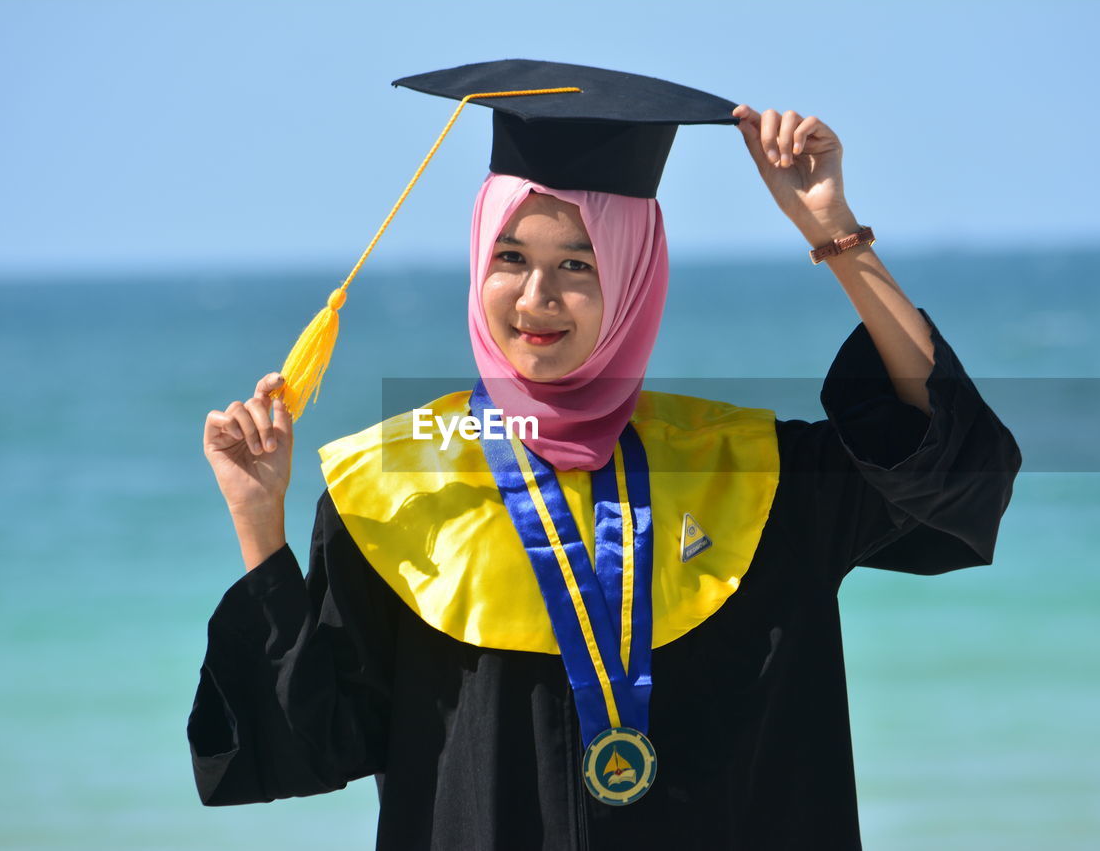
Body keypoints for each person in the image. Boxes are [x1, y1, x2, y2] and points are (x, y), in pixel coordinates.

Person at [189, 60, 1020, 850]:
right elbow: (308, 747)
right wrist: (259, 519)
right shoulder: (397, 486)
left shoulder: (751, 473)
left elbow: (953, 476)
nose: (536, 298)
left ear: (634, 277)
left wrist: (836, 233)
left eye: (578, 264)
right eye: (509, 258)